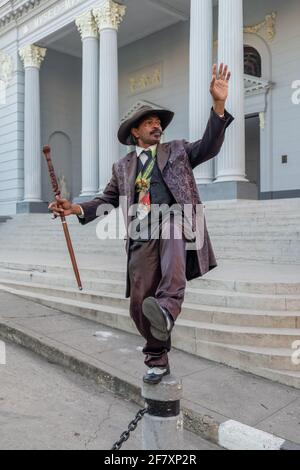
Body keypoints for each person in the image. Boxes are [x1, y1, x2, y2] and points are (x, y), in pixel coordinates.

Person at [49, 63, 234, 385]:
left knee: (172, 231)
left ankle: (167, 305)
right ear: (135, 131)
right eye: (149, 121)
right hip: (139, 235)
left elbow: (209, 145)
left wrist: (218, 105)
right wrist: (75, 207)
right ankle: (156, 357)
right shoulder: (122, 167)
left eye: (158, 121)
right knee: (139, 304)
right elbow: (106, 201)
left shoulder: (177, 150)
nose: (156, 125)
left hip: (173, 222)